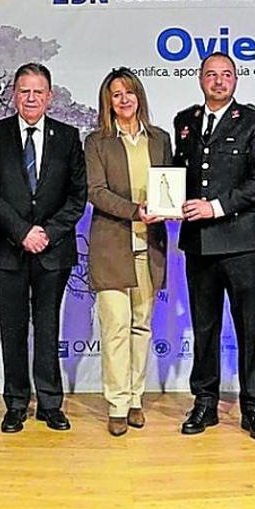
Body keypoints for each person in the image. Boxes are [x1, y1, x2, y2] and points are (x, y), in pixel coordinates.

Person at [170, 52, 255, 440]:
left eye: (226, 75)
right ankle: (205, 404)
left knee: (250, 330)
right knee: (205, 328)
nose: (218, 81)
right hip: (199, 245)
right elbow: (179, 175)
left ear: (236, 79)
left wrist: (214, 207)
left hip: (242, 244)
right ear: (200, 79)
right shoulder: (186, 122)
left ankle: (253, 408)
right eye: (211, 75)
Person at [0, 62, 88, 433]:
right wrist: (22, 231)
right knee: (12, 328)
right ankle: (15, 403)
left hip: (52, 251)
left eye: (38, 91)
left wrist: (47, 233)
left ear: (50, 96)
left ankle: (50, 403)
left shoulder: (69, 137)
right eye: (24, 91)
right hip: (7, 249)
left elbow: (78, 196)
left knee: (47, 327)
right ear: (14, 95)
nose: (30, 98)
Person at [83, 68, 173, 436]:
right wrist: (135, 210)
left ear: (139, 97)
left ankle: (136, 398)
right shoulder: (97, 142)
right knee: (116, 329)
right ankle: (117, 404)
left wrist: (168, 205)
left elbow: (170, 186)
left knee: (141, 327)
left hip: (149, 248)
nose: (124, 99)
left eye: (130, 92)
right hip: (111, 247)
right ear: (108, 101)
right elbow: (97, 192)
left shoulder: (159, 139)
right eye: (116, 94)